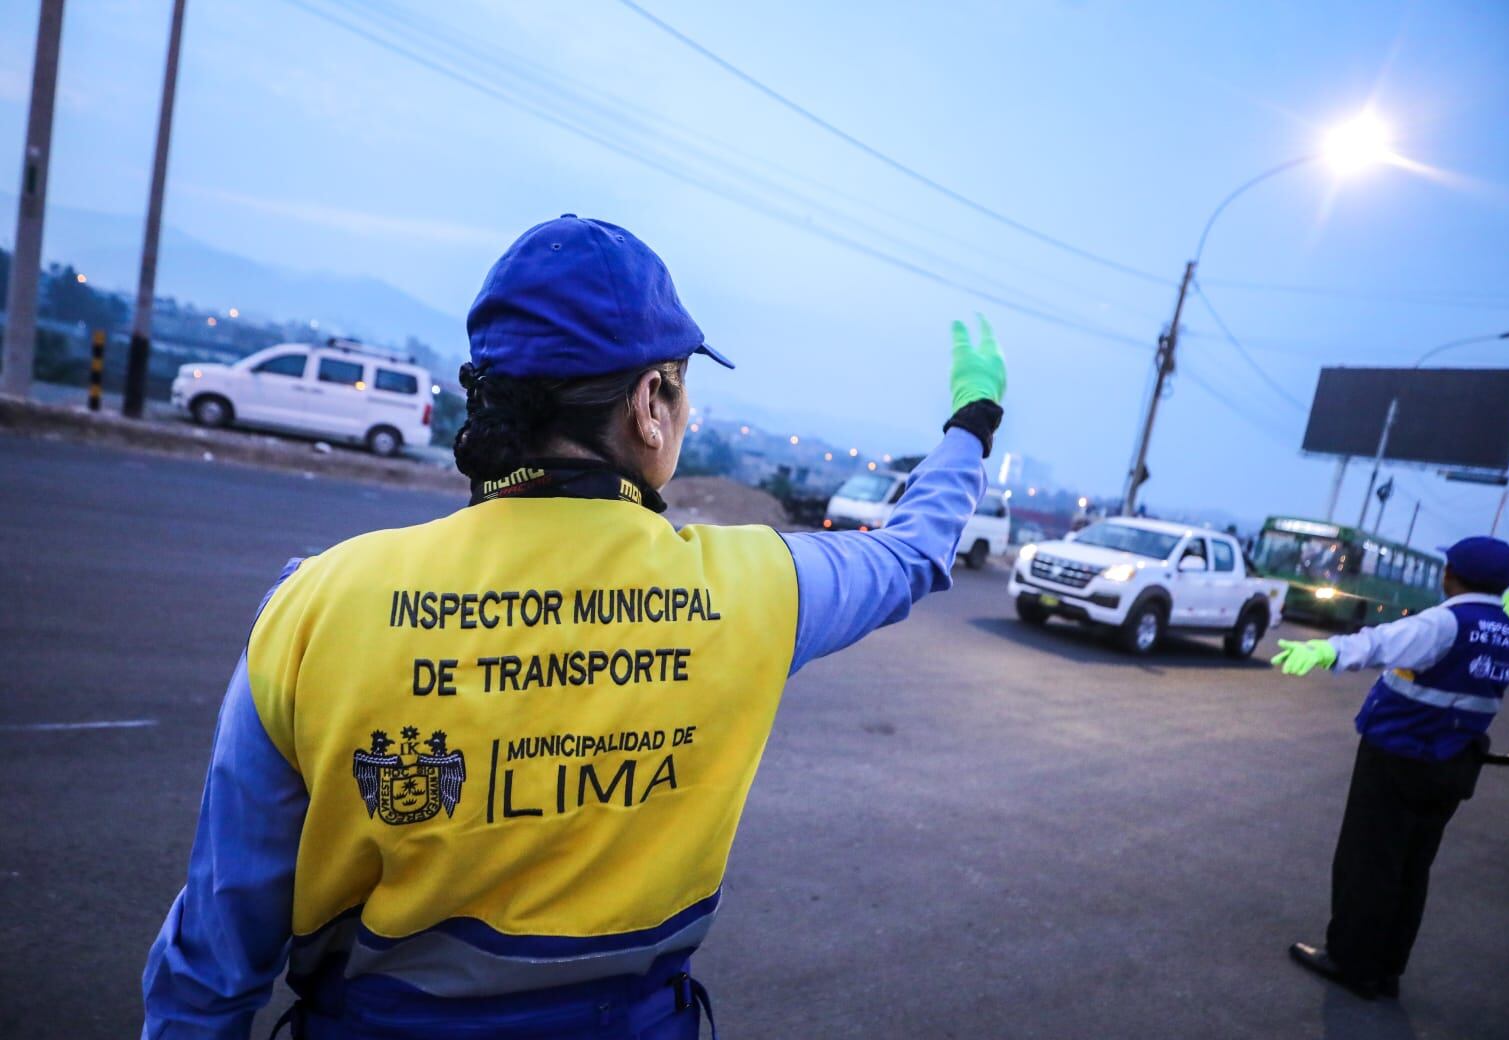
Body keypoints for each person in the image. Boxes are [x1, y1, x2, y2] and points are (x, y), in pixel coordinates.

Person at [141, 214, 1009, 1039]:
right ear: (648, 403)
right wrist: (971, 425)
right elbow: (910, 554)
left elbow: (214, 964)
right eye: (682, 386)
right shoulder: (758, 588)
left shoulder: (316, 605)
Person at [1271, 540, 1509, 999]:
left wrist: (1325, 652)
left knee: (1368, 863)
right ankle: (1386, 970)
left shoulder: (1445, 621)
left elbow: (1381, 643)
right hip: (1455, 763)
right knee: (1411, 870)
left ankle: (1351, 963)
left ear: (1451, 574)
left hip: (1400, 757)